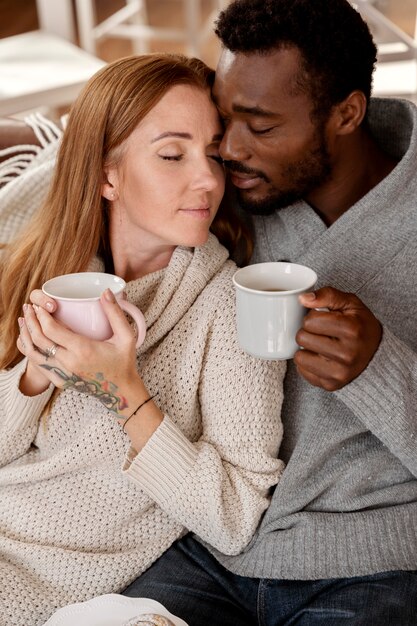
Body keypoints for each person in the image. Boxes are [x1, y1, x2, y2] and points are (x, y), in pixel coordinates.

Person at [120, 0, 417, 624]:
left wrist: (378, 365)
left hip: (364, 567)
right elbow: (104, 171)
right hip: (204, 542)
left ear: (346, 114)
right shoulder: (223, 196)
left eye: (259, 125)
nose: (227, 149)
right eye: (225, 118)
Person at [0, 53, 286, 626]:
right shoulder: (46, 270)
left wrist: (123, 392)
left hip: (54, 590)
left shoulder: (230, 308)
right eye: (172, 155)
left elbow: (235, 515)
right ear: (107, 175)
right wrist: (35, 376)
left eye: (212, 155)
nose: (207, 179)